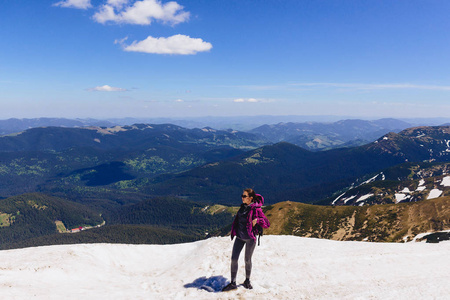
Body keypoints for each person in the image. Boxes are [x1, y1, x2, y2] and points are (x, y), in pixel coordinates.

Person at [222, 188, 270, 292]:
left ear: (250, 198)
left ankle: (247, 281)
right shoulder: (242, 207)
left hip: (250, 239)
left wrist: (258, 220)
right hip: (239, 237)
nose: (242, 198)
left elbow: (267, 224)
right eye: (242, 196)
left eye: (244, 196)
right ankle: (233, 283)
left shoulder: (257, 209)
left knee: (247, 260)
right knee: (234, 259)